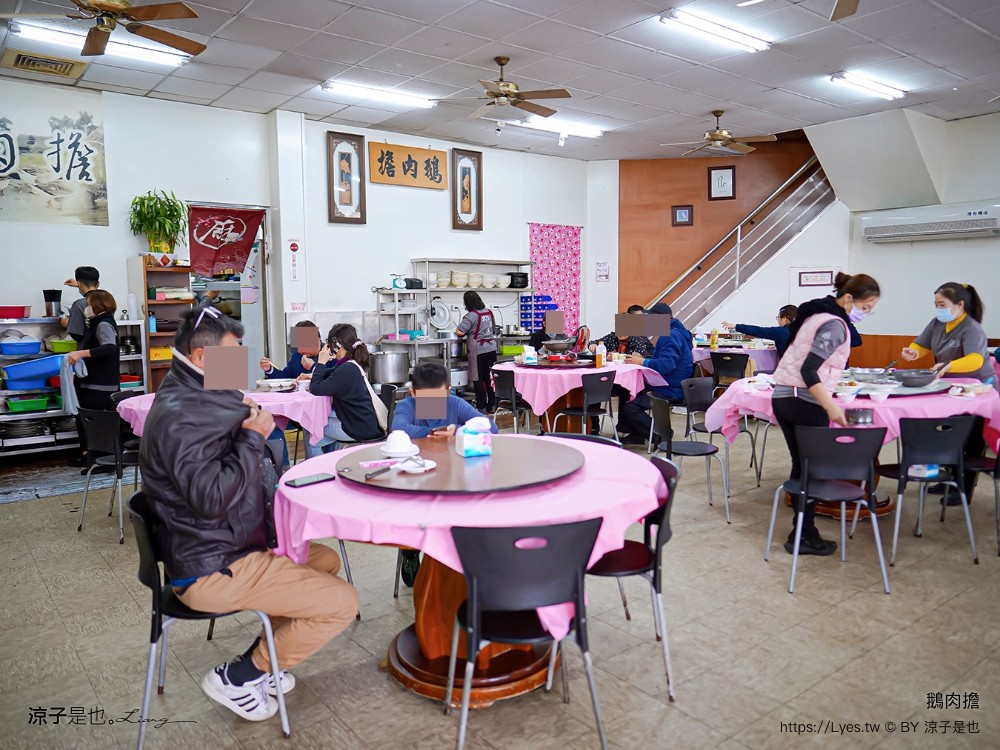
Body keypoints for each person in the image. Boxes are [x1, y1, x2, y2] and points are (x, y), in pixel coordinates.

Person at [139, 307, 358, 723]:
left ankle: (268, 658)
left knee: (324, 560)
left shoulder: (197, 393)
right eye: (233, 352)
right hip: (210, 565)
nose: (239, 360)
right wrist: (253, 439)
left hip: (223, 543)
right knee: (343, 603)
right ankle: (239, 676)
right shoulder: (184, 415)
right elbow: (210, 499)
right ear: (201, 357)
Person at [771, 272, 881, 556]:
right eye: (866, 307)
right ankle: (804, 535)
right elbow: (809, 370)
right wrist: (831, 406)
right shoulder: (834, 324)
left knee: (803, 466)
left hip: (784, 396)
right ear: (849, 298)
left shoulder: (816, 315)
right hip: (804, 401)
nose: (866, 313)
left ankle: (802, 532)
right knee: (813, 469)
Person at [390, 361, 498, 587]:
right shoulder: (407, 406)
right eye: (425, 400)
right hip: (415, 477)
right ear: (413, 393)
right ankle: (410, 551)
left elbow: (491, 427)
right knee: (411, 514)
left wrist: (459, 430)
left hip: (453, 476)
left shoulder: (455, 404)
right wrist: (433, 433)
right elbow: (399, 429)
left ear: (448, 391)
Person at [901, 282, 993, 505]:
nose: (938, 309)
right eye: (936, 304)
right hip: (952, 389)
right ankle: (948, 479)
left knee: (969, 441)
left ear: (959, 304)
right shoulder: (937, 323)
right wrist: (913, 352)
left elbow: (976, 359)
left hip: (977, 391)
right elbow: (922, 344)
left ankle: (963, 490)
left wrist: (950, 365)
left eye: (942, 304)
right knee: (949, 436)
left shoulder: (972, 328)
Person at [617, 303, 695, 443]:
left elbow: (666, 365)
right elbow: (665, 360)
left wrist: (642, 362)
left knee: (629, 409)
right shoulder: (678, 332)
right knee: (628, 392)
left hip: (669, 388)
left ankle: (662, 435)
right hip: (674, 384)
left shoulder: (670, 335)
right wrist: (643, 359)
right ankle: (637, 435)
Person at [306, 323, 385, 457]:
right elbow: (329, 374)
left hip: (358, 428)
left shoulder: (346, 369)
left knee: (311, 431)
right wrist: (314, 372)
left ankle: (321, 468)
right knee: (317, 426)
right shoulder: (351, 364)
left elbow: (316, 388)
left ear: (338, 345)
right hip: (362, 422)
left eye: (330, 343)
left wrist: (321, 362)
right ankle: (331, 463)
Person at [65, 290, 120, 411]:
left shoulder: (103, 324)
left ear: (99, 306)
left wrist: (80, 353)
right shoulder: (98, 322)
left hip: (99, 386)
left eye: (89, 305)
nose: (87, 308)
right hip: (96, 383)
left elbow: (109, 348)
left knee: (92, 421)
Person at [455, 291, 497, 412]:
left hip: (478, 350)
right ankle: (492, 405)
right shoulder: (489, 312)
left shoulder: (471, 316)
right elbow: (493, 328)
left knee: (478, 379)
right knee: (490, 378)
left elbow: (460, 331)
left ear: (467, 303)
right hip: (491, 349)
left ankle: (481, 407)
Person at [721, 304, 798, 357]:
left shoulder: (780, 332)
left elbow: (757, 331)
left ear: (784, 319)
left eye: (778, 317)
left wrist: (735, 326)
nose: (778, 320)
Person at [588, 304, 654, 357]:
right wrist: (593, 344)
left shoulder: (638, 340)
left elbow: (638, 358)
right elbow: (595, 342)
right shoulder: (612, 337)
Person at [60, 266, 100, 344]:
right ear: (98, 283)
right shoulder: (108, 300)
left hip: (89, 348)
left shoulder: (78, 304)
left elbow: (76, 335)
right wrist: (80, 284)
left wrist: (67, 324)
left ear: (78, 283)